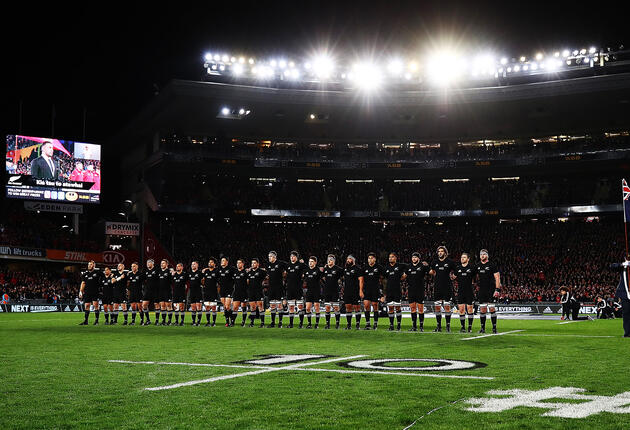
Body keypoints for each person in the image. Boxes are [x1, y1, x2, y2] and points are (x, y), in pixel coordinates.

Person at [429, 246, 456, 332]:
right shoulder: (434, 262)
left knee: (447, 307)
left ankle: (448, 326)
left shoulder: (450, 262)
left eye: (442, 251)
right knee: (437, 307)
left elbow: (456, 271)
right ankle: (439, 327)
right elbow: (432, 272)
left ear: (445, 252)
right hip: (437, 286)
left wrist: (453, 277)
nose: (440, 253)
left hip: (447, 286)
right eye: (439, 251)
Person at [475, 249, 501, 333]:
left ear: (487, 256)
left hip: (491, 289)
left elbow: (497, 277)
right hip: (482, 290)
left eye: (484, 254)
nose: (482, 256)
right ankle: (482, 328)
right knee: (482, 309)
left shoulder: (492, 265)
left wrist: (497, 289)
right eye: (481, 254)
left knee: (491, 308)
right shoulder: (477, 265)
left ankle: (494, 328)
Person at [452, 253, 477, 333]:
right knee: (461, 310)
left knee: (470, 309)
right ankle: (463, 327)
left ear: (468, 259)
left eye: (464, 257)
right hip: (460, 291)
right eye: (461, 257)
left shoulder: (472, 268)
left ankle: (470, 327)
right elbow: (453, 277)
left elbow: (476, 277)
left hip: (469, 291)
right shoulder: (458, 268)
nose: (462, 258)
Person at [406, 252, 430, 332]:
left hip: (420, 291)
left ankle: (421, 326)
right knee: (412, 309)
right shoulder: (408, 267)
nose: (414, 259)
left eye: (415, 257)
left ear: (419, 259)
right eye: (413, 257)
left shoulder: (422, 266)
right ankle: (414, 326)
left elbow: (430, 272)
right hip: (411, 291)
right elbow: (404, 276)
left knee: (420, 309)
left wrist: (427, 265)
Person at [384, 252, 407, 331]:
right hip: (389, 290)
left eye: (392, 257)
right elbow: (383, 278)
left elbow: (409, 267)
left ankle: (399, 325)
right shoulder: (386, 267)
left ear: (396, 258)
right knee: (390, 308)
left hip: (397, 290)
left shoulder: (400, 266)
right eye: (389, 257)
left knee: (397, 308)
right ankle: (391, 325)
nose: (390, 258)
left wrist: (404, 275)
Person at [361, 252, 384, 330]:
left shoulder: (379, 267)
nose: (370, 259)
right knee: (366, 305)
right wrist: (361, 290)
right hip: (367, 290)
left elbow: (383, 279)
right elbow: (361, 280)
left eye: (371, 258)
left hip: (375, 290)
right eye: (369, 258)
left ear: (375, 259)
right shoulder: (364, 268)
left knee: (375, 306)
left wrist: (383, 292)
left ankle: (375, 324)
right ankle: (367, 324)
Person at [266, 251, 287, 328]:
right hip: (271, 287)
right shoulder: (268, 265)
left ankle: (280, 322)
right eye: (268, 257)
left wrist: (285, 273)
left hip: (279, 287)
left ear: (274, 257)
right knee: (272, 305)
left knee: (279, 305)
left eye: (270, 256)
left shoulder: (280, 263)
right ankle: (273, 322)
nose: (269, 258)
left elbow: (288, 267)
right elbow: (268, 274)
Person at [285, 251, 306, 328]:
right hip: (290, 289)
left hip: (298, 288)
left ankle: (301, 324)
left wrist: (303, 263)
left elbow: (308, 269)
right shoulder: (288, 265)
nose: (292, 258)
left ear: (297, 257)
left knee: (300, 306)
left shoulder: (300, 265)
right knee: (291, 307)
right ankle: (291, 324)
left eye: (293, 256)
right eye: (291, 256)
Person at [78, 260, 103, 325]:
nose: (89, 265)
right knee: (87, 306)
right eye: (88, 264)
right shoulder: (85, 274)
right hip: (87, 292)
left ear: (94, 266)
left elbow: (105, 276)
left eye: (91, 264)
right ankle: (86, 321)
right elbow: (83, 283)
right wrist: (81, 291)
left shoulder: (98, 272)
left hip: (95, 292)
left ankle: (96, 321)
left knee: (96, 306)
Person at [343, 255, 364, 330]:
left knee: (357, 308)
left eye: (349, 259)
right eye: (347, 259)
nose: (347, 260)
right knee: (348, 307)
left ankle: (357, 324)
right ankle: (349, 325)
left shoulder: (358, 269)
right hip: (347, 291)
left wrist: (361, 291)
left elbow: (361, 280)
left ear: (353, 260)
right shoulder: (345, 269)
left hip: (355, 291)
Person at [323, 255, 343, 329]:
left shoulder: (337, 269)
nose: (329, 261)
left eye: (331, 260)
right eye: (328, 260)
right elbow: (322, 277)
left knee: (336, 308)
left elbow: (343, 275)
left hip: (335, 291)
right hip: (327, 291)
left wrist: (340, 284)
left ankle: (337, 323)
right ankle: (327, 324)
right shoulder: (325, 269)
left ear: (334, 261)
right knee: (327, 308)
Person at [611, 259, 630, 337]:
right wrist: (622, 264)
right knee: (626, 314)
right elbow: (612, 266)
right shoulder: (624, 267)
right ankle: (627, 333)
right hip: (624, 293)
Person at [303, 256, 323, 329]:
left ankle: (317, 324)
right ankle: (309, 324)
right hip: (309, 291)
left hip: (316, 291)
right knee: (307, 308)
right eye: (309, 261)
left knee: (316, 307)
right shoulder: (306, 270)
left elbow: (323, 277)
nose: (310, 263)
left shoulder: (318, 270)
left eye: (311, 261)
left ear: (315, 262)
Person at [247, 258, 267, 328]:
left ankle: (262, 323)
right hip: (251, 292)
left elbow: (267, 276)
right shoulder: (249, 272)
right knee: (252, 307)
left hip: (259, 291)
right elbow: (247, 282)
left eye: (254, 263)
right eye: (252, 263)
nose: (253, 264)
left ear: (258, 264)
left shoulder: (261, 271)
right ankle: (252, 323)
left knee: (260, 307)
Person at [218, 257, 236, 327]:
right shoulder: (219, 269)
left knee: (227, 306)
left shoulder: (231, 269)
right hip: (222, 290)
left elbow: (238, 271)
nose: (222, 262)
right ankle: (227, 322)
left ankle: (232, 320)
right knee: (225, 307)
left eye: (223, 260)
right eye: (221, 260)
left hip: (229, 289)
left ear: (227, 262)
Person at [231, 259, 249, 327]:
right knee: (235, 307)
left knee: (243, 308)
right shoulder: (235, 272)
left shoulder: (246, 272)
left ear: (243, 264)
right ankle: (232, 322)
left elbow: (248, 282)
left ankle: (243, 322)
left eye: (239, 263)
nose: (238, 264)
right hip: (236, 292)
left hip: (244, 292)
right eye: (237, 263)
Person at [201, 258, 218, 326]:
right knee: (207, 307)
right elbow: (202, 280)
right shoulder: (205, 271)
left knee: (213, 308)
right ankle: (208, 322)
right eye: (209, 262)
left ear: (214, 264)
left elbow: (218, 282)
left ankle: (213, 322)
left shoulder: (216, 271)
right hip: (206, 291)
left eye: (211, 262)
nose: (210, 263)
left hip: (213, 291)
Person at [141, 259, 159, 325]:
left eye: (149, 263)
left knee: (156, 305)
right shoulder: (145, 271)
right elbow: (141, 278)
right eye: (147, 263)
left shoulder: (157, 270)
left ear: (153, 263)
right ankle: (148, 320)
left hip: (155, 290)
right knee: (144, 305)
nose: (148, 264)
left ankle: (157, 321)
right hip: (147, 291)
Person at [156, 259, 174, 325]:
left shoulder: (169, 271)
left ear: (167, 264)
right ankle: (163, 321)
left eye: (163, 263)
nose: (161, 264)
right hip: (160, 291)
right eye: (161, 263)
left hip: (167, 291)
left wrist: (172, 273)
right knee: (162, 306)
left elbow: (172, 281)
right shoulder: (159, 272)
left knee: (168, 306)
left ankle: (169, 321)